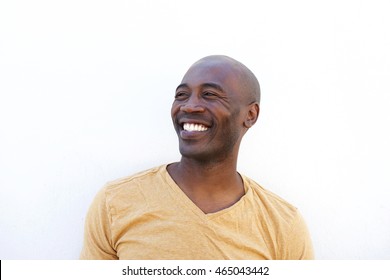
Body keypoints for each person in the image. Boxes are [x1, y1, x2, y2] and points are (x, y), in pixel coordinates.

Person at [80, 55, 314, 260]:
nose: (190, 106)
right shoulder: (115, 203)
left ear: (250, 115)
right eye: (181, 95)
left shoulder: (284, 225)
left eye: (210, 95)